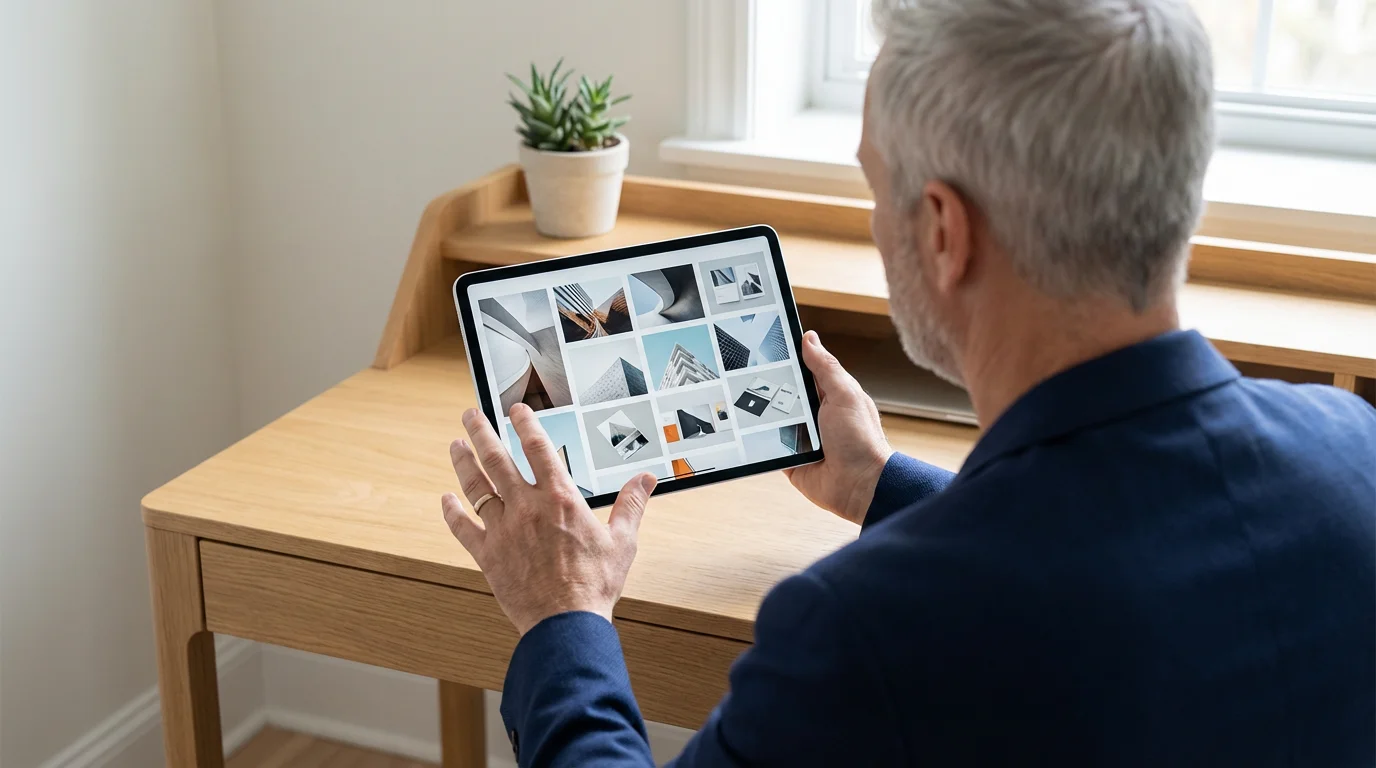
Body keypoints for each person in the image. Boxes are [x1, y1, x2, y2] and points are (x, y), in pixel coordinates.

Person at [440, 0, 1376, 764]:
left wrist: (564, 615)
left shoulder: (865, 628)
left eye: (875, 188)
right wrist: (882, 486)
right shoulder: (1353, 450)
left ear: (941, 230)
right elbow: (1111, 551)